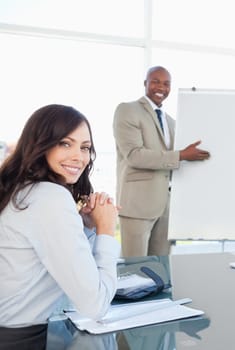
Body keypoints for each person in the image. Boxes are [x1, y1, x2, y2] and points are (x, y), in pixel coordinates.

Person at [0, 104, 120, 328]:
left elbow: (63, 266)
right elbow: (96, 305)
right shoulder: (50, 197)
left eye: (85, 147)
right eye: (65, 143)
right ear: (41, 145)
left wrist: (87, 226)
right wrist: (106, 230)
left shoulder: (21, 189)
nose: (79, 157)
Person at [113, 66, 210, 257]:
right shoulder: (127, 110)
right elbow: (134, 155)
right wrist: (181, 155)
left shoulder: (171, 122)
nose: (161, 87)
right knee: (135, 267)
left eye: (166, 84)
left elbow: (177, 161)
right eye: (156, 81)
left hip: (166, 206)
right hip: (137, 206)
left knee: (161, 265)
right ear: (145, 84)